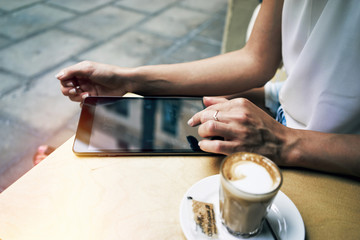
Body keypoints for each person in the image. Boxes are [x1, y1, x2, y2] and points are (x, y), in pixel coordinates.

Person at [55, 0, 360, 177]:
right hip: (279, 119)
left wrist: (284, 143)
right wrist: (129, 79)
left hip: (332, 164)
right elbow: (255, 60)